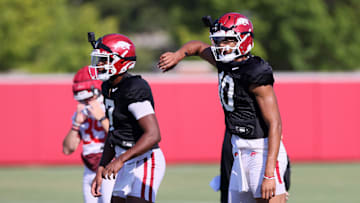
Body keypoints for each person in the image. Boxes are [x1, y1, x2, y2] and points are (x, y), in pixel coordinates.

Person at [158, 12, 288, 203]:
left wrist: (269, 173)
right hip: (239, 148)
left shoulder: (255, 71)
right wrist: (178, 55)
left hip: (261, 150)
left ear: (243, 40)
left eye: (228, 41)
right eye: (219, 41)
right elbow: (197, 46)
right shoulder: (223, 60)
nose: (221, 46)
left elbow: (275, 123)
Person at [88, 33, 166, 203]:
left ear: (122, 61)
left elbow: (153, 135)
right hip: (124, 159)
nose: (99, 65)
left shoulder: (134, 87)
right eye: (99, 59)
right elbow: (114, 132)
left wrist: (120, 160)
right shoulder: (108, 85)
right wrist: (101, 167)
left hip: (144, 159)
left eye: (104, 59)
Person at [62, 66, 115, 203]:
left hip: (110, 168)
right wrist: (76, 124)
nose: (86, 102)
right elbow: (68, 149)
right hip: (90, 169)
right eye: (82, 100)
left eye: (90, 98)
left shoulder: (110, 107)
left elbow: (118, 137)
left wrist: (102, 118)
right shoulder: (81, 113)